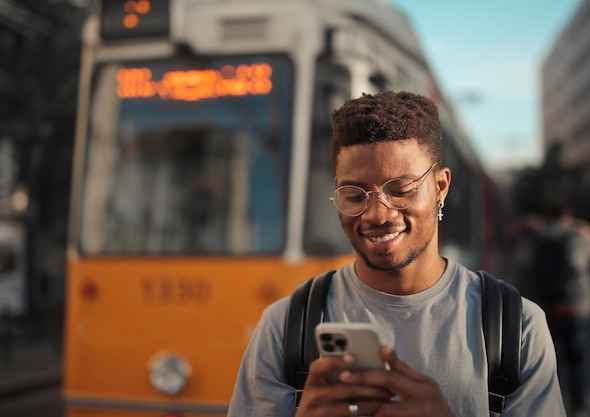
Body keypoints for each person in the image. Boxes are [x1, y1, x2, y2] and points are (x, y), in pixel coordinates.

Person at [227, 91, 566, 416]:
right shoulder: (285, 326)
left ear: (440, 188)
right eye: (355, 194)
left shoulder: (515, 326)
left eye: (401, 190)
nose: (377, 214)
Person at [531, 196, 590, 416]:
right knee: (577, 362)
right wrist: (589, 231)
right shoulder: (579, 238)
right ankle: (579, 409)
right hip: (577, 309)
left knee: (550, 364)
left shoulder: (542, 239)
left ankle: (547, 407)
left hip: (549, 309)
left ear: (548, 216)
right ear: (569, 216)